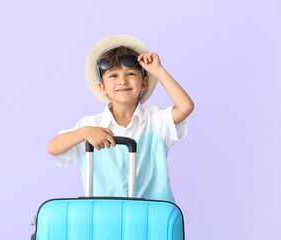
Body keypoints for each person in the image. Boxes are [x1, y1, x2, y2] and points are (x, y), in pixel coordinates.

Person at [48, 35, 194, 203]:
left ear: (144, 83)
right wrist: (84, 133)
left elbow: (185, 107)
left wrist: (158, 70)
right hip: (105, 217)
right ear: (102, 87)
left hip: (152, 216)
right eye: (113, 76)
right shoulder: (91, 126)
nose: (122, 81)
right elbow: (53, 148)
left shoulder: (155, 121)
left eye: (130, 74)